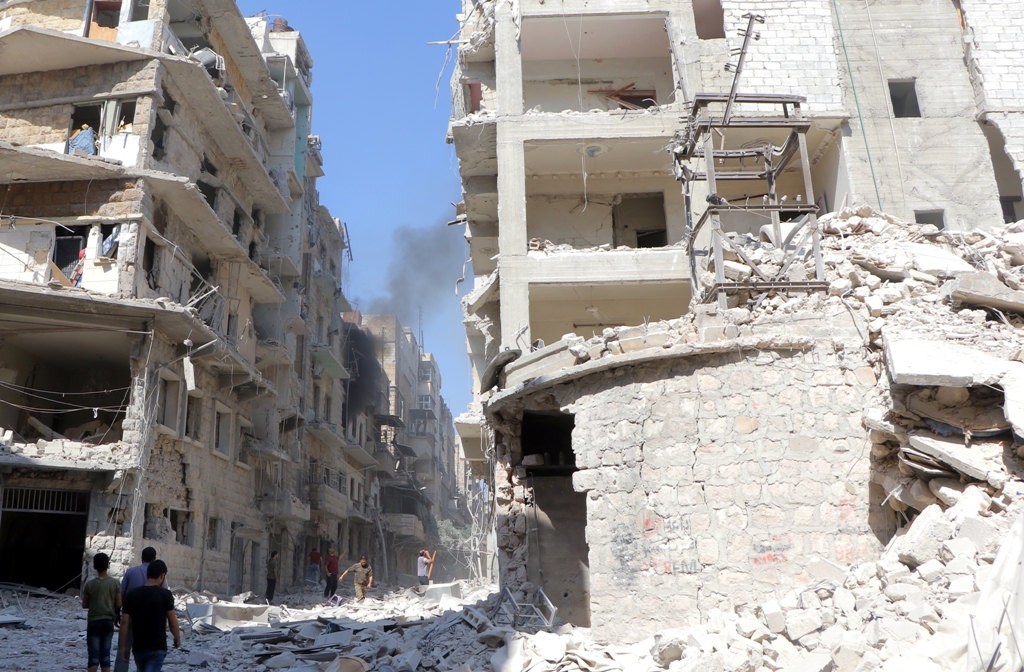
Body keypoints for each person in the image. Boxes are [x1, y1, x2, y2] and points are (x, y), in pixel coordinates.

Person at [119, 560, 180, 672]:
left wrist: (123, 646)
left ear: (148, 574)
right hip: (157, 647)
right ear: (162, 576)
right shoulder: (165, 594)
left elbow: (124, 622)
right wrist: (177, 638)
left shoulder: (132, 594)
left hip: (139, 647)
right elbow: (172, 621)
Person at [115, 547, 156, 672]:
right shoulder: (157, 576)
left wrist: (117, 612)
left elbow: (121, 593)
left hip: (130, 615)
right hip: (148, 619)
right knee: (146, 650)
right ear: (154, 559)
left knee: (124, 646)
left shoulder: (131, 572)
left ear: (141, 558)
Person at [83, 553, 121, 672]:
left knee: (93, 656)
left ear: (94, 566)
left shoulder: (89, 584)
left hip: (94, 621)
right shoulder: (115, 583)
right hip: (108, 622)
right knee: (105, 656)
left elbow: (84, 605)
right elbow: (119, 603)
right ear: (108, 565)